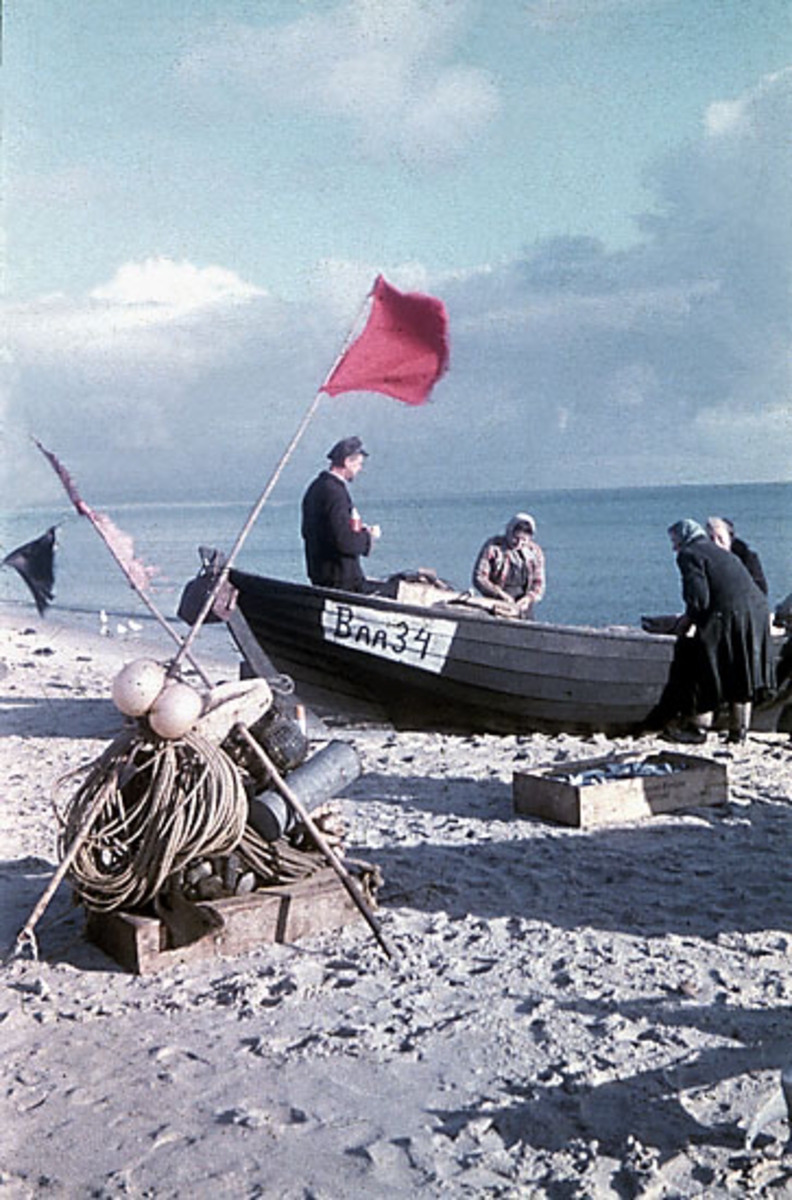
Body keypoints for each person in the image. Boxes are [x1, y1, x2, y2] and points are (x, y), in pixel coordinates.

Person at [657, 518, 775, 744]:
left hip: (731, 615)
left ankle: (697, 728)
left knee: (705, 665)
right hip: (755, 614)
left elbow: (699, 598)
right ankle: (738, 731)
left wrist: (687, 622)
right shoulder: (718, 552)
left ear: (684, 537)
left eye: (674, 541)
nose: (674, 547)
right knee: (741, 670)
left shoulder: (690, 554)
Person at [301, 436, 381, 592]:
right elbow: (343, 540)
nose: (360, 469)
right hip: (340, 578)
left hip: (322, 574)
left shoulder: (317, 487)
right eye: (358, 464)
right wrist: (368, 537)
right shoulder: (334, 492)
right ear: (347, 462)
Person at [472, 512, 545, 619]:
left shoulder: (535, 552)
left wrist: (529, 599)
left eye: (524, 540)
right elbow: (479, 578)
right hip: (496, 603)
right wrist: (500, 594)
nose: (519, 543)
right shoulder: (493, 547)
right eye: (516, 538)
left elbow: (538, 583)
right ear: (509, 531)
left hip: (522, 605)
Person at [706, 516, 768, 595]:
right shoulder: (702, 561)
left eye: (720, 539)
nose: (716, 543)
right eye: (711, 539)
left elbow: (761, 590)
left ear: (729, 539)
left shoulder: (747, 558)